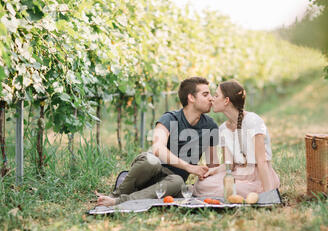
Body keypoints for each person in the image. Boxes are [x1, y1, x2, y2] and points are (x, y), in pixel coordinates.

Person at [96, 76, 219, 206]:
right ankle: (115, 195)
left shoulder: (210, 126)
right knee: (151, 161)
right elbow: (158, 149)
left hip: (170, 182)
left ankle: (119, 202)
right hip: (150, 171)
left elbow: (213, 164)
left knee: (178, 181)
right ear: (191, 98)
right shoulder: (169, 118)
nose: (211, 98)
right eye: (205, 94)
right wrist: (189, 167)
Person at [193, 79, 280, 198]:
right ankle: (233, 193)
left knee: (231, 189)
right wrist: (212, 171)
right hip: (237, 174)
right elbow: (229, 166)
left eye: (216, 95)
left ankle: (254, 192)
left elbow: (262, 162)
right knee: (201, 184)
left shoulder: (253, 121)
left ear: (226, 101)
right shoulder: (223, 128)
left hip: (257, 176)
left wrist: (269, 195)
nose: (212, 98)